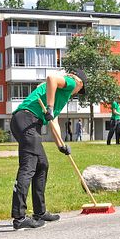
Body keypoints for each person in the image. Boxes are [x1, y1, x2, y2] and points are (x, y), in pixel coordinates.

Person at [10, 69, 86, 230]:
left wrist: (61, 146)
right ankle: (19, 217)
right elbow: (51, 78)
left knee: (42, 164)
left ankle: (40, 212)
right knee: (28, 167)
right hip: (27, 119)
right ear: (79, 82)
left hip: (25, 122)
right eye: (81, 89)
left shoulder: (57, 95)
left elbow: (54, 123)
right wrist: (50, 107)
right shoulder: (70, 82)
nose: (77, 92)